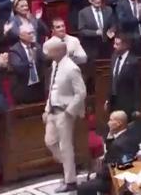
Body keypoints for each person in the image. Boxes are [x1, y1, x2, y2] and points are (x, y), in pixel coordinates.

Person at [43, 36, 87, 193]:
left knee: (65, 146)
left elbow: (81, 92)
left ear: (59, 51)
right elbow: (52, 89)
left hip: (65, 112)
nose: (46, 53)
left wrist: (70, 110)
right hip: (52, 110)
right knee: (50, 142)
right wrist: (46, 109)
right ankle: (70, 167)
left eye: (49, 50)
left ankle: (70, 180)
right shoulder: (55, 64)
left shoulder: (71, 68)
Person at [77, 111, 139, 195]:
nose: (108, 123)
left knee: (82, 187)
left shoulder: (120, 143)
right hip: (117, 175)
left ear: (118, 124)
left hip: (115, 180)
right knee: (89, 181)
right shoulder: (126, 136)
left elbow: (116, 165)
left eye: (111, 120)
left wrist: (98, 174)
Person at [8, 22, 46, 104]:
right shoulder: (14, 50)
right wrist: (30, 61)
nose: (32, 35)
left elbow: (44, 61)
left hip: (38, 87)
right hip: (23, 87)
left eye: (33, 32)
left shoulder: (37, 46)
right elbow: (18, 67)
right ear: (21, 36)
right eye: (29, 33)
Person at [106, 35, 141, 119]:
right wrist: (107, 100)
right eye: (114, 43)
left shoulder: (133, 61)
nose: (114, 46)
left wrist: (137, 108)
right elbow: (112, 80)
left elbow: (137, 86)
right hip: (113, 102)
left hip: (127, 104)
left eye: (117, 44)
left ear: (125, 45)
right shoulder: (114, 57)